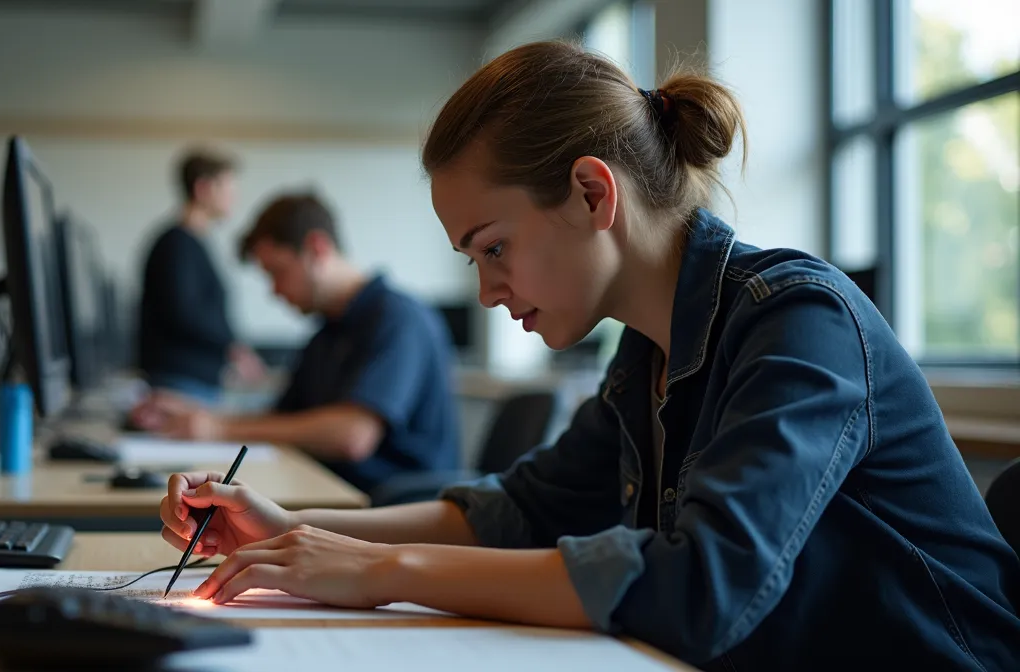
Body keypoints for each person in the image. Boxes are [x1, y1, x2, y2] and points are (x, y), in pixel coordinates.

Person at [154, 42, 1020, 670]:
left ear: (592, 191)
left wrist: (379, 571)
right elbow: (519, 513)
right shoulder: (646, 352)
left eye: (492, 248)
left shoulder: (799, 323)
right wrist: (299, 532)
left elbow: (702, 588)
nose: (487, 291)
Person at [133, 193, 460, 496]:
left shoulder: (399, 319)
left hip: (392, 511)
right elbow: (280, 419)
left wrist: (217, 427)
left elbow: (352, 437)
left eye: (278, 272)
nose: (274, 291)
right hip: (333, 495)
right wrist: (197, 413)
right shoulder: (327, 333)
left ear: (316, 248)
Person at [136, 149, 263, 405]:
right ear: (203, 188)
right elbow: (184, 312)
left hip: (194, 381)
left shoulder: (194, 242)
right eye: (228, 188)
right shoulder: (177, 244)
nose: (234, 197)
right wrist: (233, 347)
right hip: (181, 383)